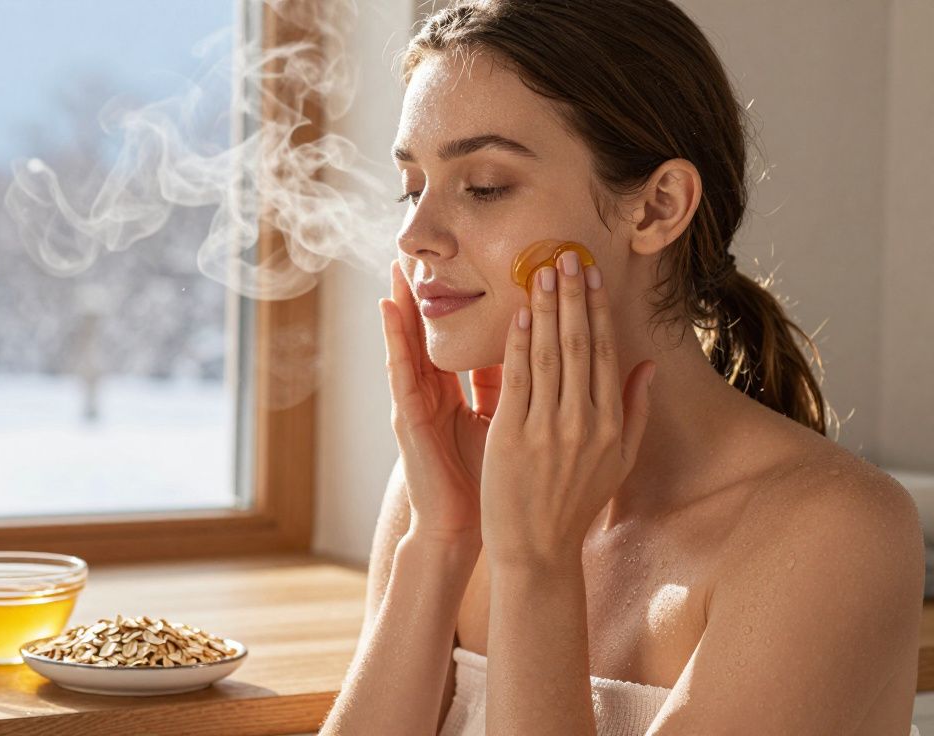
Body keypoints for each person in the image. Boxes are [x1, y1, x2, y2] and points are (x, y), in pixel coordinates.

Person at [317, 1, 925, 734]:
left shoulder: (833, 535)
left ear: (657, 208)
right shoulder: (448, 488)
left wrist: (537, 568)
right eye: (411, 186)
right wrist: (439, 542)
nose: (414, 235)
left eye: (483, 185)